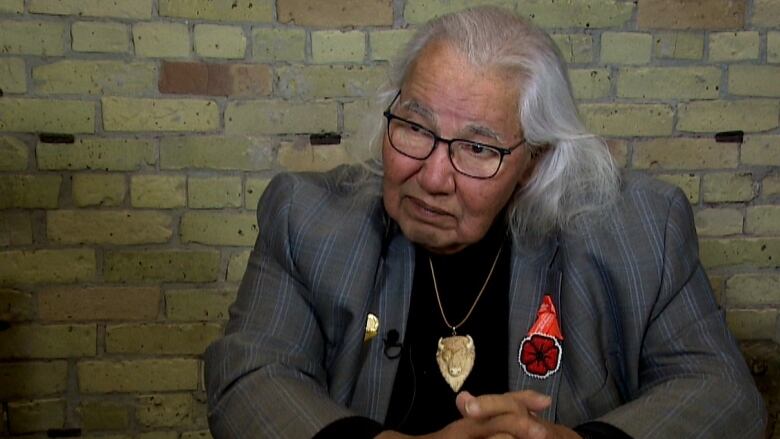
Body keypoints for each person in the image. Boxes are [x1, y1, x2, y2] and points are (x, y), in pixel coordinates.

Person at [204, 6, 766, 438]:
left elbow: (723, 395)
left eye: (477, 148)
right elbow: (249, 378)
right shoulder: (306, 218)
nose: (432, 176)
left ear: (534, 163)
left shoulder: (642, 229)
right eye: (415, 128)